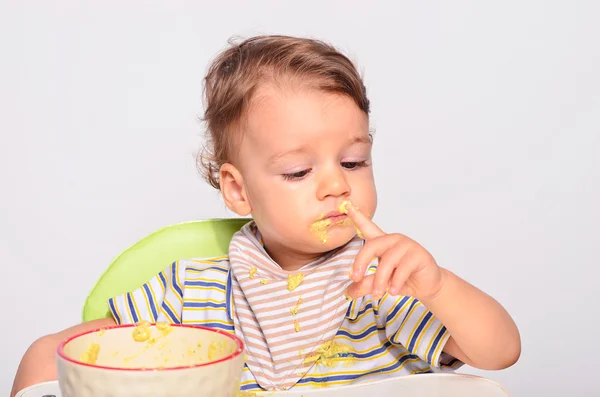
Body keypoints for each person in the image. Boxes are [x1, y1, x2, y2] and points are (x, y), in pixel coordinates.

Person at [11, 35, 520, 395]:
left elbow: (499, 352)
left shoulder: (384, 286)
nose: (337, 184)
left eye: (353, 162)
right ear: (238, 190)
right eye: (298, 171)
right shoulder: (188, 293)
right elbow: (51, 355)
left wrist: (437, 287)